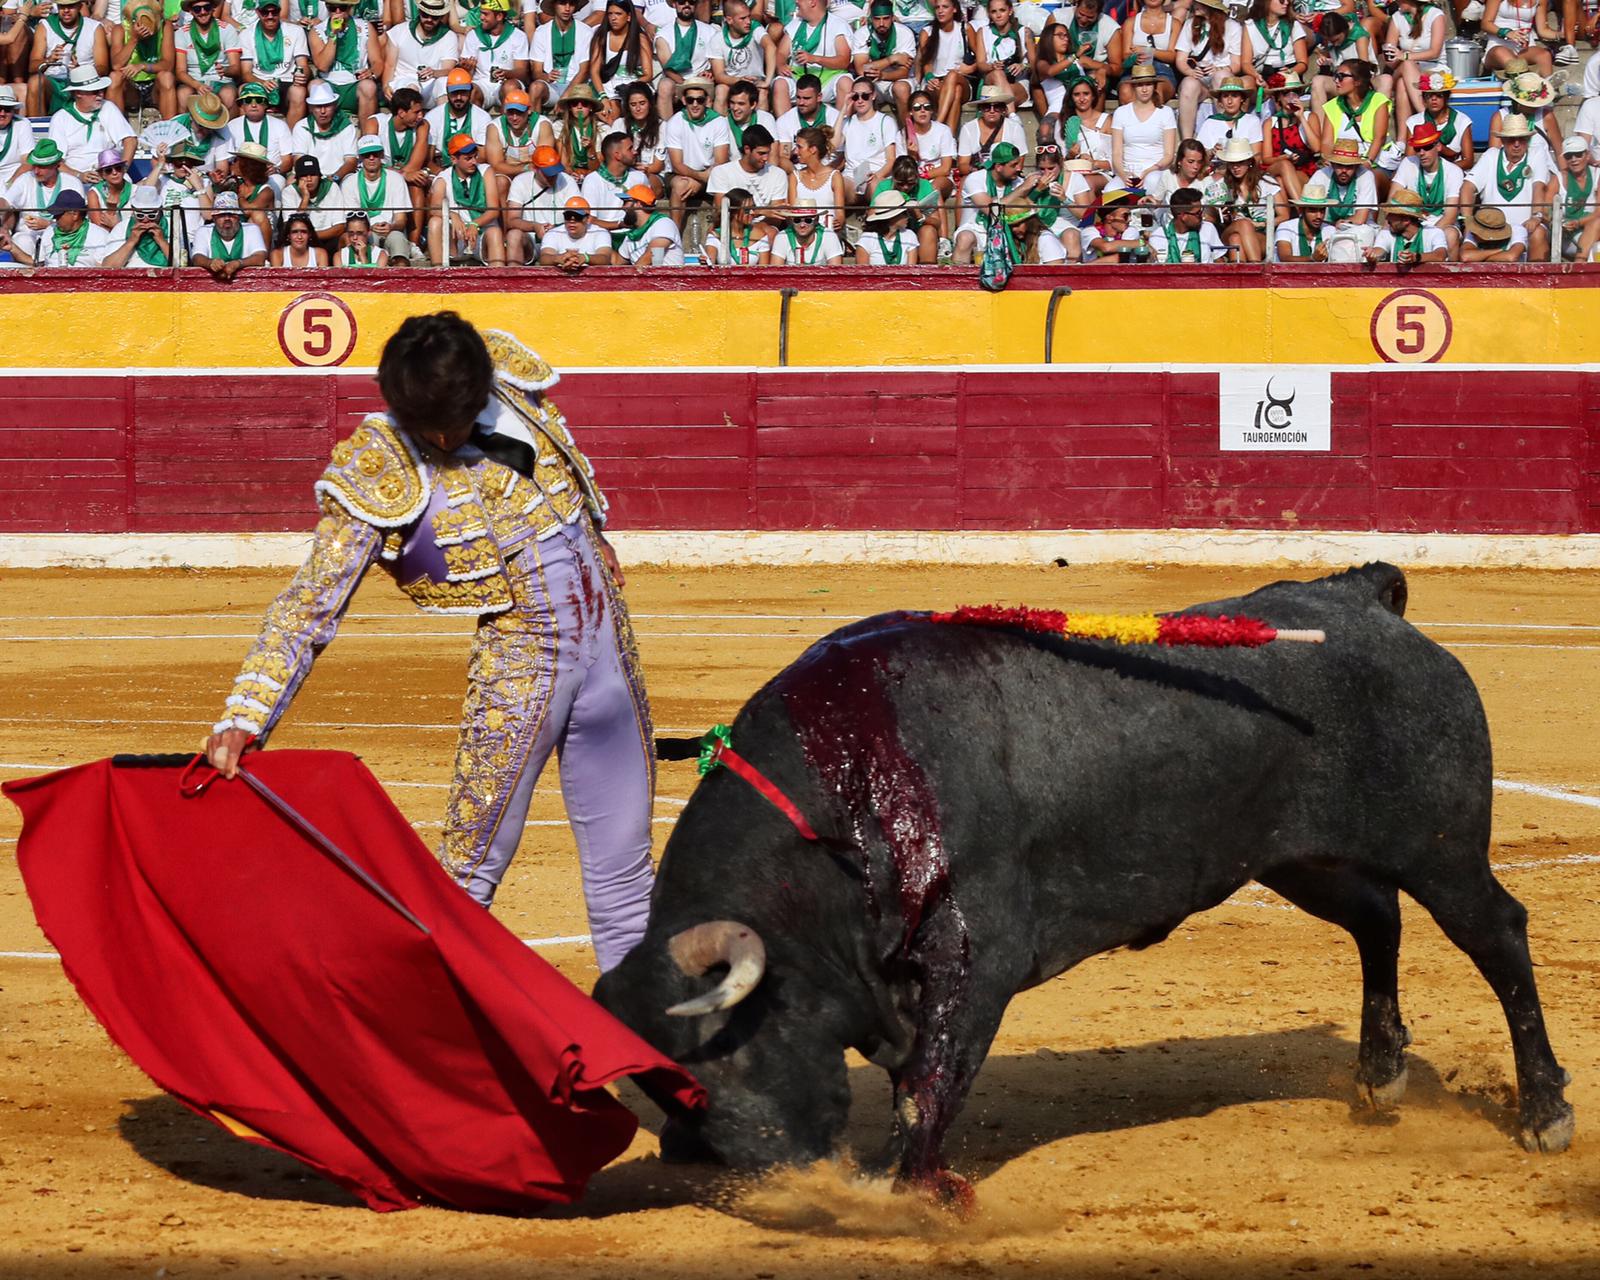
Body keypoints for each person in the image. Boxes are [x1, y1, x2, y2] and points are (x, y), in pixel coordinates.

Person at [204, 316, 657, 974]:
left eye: (457, 419)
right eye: (431, 428)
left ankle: (642, 1049)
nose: (445, 437)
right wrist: (247, 712)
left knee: (626, 870)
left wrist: (597, 534)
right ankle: (425, 1052)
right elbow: (311, 601)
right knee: (467, 880)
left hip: (609, 645)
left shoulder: (506, 380)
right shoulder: (378, 463)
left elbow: (561, 470)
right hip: (523, 665)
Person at [1461, 112, 1550, 260]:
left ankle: (1536, 281)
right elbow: (1467, 187)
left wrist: (1536, 216)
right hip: (1489, 228)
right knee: (1468, 244)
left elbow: (1538, 186)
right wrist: (1467, 220)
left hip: (1523, 227)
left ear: (1528, 139)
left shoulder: (1536, 153)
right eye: (1511, 139)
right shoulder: (1491, 155)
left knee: (1538, 231)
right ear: (1502, 140)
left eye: (1521, 139)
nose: (1516, 144)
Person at [952, 139, 1039, 262]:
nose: (1019, 168)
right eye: (1013, 165)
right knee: (965, 238)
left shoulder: (1018, 182)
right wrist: (1022, 189)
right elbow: (991, 210)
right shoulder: (975, 179)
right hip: (977, 229)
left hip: (1008, 229)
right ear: (998, 167)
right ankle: (959, 279)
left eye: (1019, 164)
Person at [662, 74, 732, 224]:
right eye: (690, 100)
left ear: (707, 101)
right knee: (681, 186)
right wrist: (701, 178)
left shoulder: (718, 122)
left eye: (699, 100)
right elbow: (677, 164)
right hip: (680, 174)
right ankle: (674, 237)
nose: (695, 104)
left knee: (724, 185)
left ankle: (718, 236)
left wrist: (702, 180)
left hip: (710, 174)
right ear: (683, 100)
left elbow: (721, 162)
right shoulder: (675, 122)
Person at [48, 65, 135, 182]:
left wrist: (121, 170)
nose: (100, 94)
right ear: (79, 93)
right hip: (74, 177)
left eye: (101, 90)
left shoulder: (108, 107)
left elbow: (130, 140)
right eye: (94, 91)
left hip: (110, 172)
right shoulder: (61, 118)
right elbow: (56, 161)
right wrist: (79, 175)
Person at [431, 131, 507, 264]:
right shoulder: (443, 179)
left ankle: (498, 277)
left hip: (482, 233)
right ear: (454, 159)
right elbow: (434, 208)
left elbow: (494, 210)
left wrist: (475, 224)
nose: (474, 162)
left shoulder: (485, 171)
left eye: (475, 157)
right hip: (457, 236)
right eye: (468, 158)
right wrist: (452, 215)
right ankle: (437, 271)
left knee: (494, 231)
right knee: (435, 222)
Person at [1205, 136, 1285, 260]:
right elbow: (1210, 216)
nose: (1236, 167)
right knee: (1242, 225)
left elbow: (1284, 215)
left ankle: (1239, 276)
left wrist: (1259, 224)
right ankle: (1257, 268)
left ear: (1249, 162)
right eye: (1232, 163)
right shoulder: (1222, 185)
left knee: (1235, 239)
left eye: (1240, 162)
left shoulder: (1266, 182)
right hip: (1229, 229)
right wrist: (1221, 215)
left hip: (1261, 233)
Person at [1174, 0, 1244, 140]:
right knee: (1188, 84)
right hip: (1199, 78)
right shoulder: (1190, 24)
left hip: (1220, 76)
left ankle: (1226, 135)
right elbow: (1180, 60)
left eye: (1199, 3)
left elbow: (1236, 64)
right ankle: (1187, 140)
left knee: (1221, 76)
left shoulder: (1232, 27)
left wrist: (1219, 68)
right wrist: (1190, 71)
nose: (1195, 5)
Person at [1390, 119, 1463, 252]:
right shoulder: (1408, 163)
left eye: (1427, 147)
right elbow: (1393, 201)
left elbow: (1450, 216)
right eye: (1417, 148)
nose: (1422, 153)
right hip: (1413, 223)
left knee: (1450, 235)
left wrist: (1426, 236)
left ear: (1438, 146)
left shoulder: (1454, 171)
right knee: (1388, 232)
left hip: (1442, 223)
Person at [29, 0, 110, 117]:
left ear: (79, 6)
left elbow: (103, 67)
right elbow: (32, 67)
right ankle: (37, 130)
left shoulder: (95, 28)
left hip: (83, 84)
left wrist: (82, 71)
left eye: (70, 6)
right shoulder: (45, 26)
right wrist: (49, 60)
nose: (66, 11)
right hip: (54, 82)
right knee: (35, 82)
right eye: (62, 7)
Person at [342, 133, 415, 260]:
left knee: (398, 242)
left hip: (392, 231)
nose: (371, 158)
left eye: (375, 154)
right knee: (366, 238)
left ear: (381, 155)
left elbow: (401, 219)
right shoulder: (349, 183)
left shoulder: (396, 179)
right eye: (366, 155)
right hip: (365, 232)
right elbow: (352, 222)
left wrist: (391, 227)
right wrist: (370, 228)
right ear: (360, 157)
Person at [239, 0, 311, 124]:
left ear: (280, 11)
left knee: (299, 92)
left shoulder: (295, 31)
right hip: (260, 80)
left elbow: (303, 64)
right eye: (265, 12)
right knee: (245, 91)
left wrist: (303, 75)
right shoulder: (246, 34)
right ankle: (249, 139)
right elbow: (246, 72)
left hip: (287, 80)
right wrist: (262, 82)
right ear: (258, 12)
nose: (270, 16)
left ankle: (290, 138)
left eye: (274, 12)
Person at [311, 0, 383, 124]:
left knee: (369, 86)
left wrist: (371, 73)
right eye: (333, 8)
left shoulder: (365, 27)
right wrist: (333, 34)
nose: (338, 12)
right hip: (330, 84)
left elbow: (378, 62)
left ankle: (367, 136)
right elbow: (322, 65)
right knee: (315, 85)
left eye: (342, 8)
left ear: (350, 7)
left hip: (355, 85)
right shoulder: (317, 31)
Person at [505, 142, 579, 260]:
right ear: (534, 168)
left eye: (555, 172)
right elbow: (512, 220)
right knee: (513, 235)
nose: (553, 177)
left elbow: (578, 215)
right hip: (532, 240)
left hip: (561, 239)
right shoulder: (520, 181)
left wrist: (557, 227)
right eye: (548, 173)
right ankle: (514, 277)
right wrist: (535, 226)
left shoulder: (568, 181)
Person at [382, 0, 459, 111]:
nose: (429, 20)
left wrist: (434, 72)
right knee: (411, 87)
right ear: (419, 11)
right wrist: (385, 86)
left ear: (441, 16)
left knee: (443, 83)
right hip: (404, 82)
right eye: (425, 15)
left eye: (434, 17)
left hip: (431, 85)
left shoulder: (449, 36)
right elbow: (389, 65)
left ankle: (443, 122)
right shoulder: (399, 31)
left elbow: (448, 69)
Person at [0, 186, 110, 263]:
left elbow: (104, 270)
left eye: (58, 215)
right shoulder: (50, 231)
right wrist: (12, 248)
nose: (54, 219)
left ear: (75, 214)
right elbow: (36, 262)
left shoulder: (99, 236)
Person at [109, 0, 178, 121]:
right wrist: (134, 39)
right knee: (115, 77)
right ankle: (115, 127)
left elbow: (168, 64)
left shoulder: (165, 26)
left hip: (154, 85)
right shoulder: (120, 29)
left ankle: (170, 130)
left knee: (167, 77)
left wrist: (143, 66)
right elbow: (116, 65)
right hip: (132, 87)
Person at [1110, 62, 1175, 190]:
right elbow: (1116, 153)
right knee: (1110, 191)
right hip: (1128, 171)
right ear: (1134, 87)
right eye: (1140, 85)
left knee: (1152, 182)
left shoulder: (1165, 112)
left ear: (1154, 86)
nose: (1144, 89)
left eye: (1148, 84)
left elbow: (1169, 155)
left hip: (1156, 169)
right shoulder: (1121, 112)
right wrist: (1123, 175)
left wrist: (1149, 171)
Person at [835, 73, 898, 205]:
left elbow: (891, 160)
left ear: (873, 96)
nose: (860, 100)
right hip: (851, 178)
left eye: (865, 96)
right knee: (835, 181)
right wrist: (844, 110)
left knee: (875, 185)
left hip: (876, 175)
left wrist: (878, 175)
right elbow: (833, 145)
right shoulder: (847, 122)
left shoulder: (885, 121)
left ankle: (873, 218)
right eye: (855, 96)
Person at [917, 0, 978, 133]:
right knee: (956, 92)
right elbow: (926, 62)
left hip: (962, 78)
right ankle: (948, 138)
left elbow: (981, 58)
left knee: (953, 77)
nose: (940, 11)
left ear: (954, 9)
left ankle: (937, 126)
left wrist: (972, 68)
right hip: (938, 81)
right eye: (937, 7)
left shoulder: (965, 29)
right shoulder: (927, 32)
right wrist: (929, 76)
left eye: (945, 7)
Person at [1320, 57, 1391, 172]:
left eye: (1341, 77)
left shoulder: (1378, 101)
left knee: (1367, 179)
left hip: (1375, 161)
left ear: (1357, 81)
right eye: (1335, 76)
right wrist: (1328, 163)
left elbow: (1379, 138)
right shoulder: (1332, 106)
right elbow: (1327, 142)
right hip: (1342, 164)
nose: (1336, 80)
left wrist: (1367, 162)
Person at [174, 0, 243, 114]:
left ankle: (226, 131)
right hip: (194, 79)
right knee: (183, 95)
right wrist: (197, 85)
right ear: (191, 11)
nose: (202, 12)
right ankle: (185, 130)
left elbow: (235, 68)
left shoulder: (227, 29)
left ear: (213, 8)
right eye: (197, 9)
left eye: (206, 7)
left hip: (221, 80)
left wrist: (225, 70)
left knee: (229, 95)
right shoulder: (182, 33)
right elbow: (180, 71)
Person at [707, 120, 786, 219]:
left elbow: (776, 216)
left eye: (767, 153)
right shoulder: (721, 172)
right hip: (732, 229)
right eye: (761, 153)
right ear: (747, 149)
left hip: (765, 229)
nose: (766, 158)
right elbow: (721, 211)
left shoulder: (778, 174)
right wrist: (759, 211)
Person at [460, 0, 529, 111]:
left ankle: (506, 126)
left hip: (506, 83)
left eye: (485, 14)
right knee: (470, 90)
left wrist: (506, 73)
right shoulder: (473, 35)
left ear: (499, 16)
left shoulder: (518, 36)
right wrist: (466, 68)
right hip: (481, 83)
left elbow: (522, 72)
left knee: (510, 87)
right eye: (481, 13)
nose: (481, 17)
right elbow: (467, 73)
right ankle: (473, 126)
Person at [653, 0, 718, 118]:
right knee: (664, 86)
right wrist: (687, 84)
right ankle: (665, 129)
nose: (686, 5)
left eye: (691, 2)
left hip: (701, 79)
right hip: (676, 81)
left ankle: (709, 126)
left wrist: (709, 72)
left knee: (710, 83)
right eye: (682, 2)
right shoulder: (663, 34)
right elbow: (668, 69)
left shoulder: (710, 31)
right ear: (674, 4)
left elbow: (715, 62)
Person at [528, 0, 594, 115]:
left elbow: (584, 71)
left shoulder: (586, 32)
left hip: (578, 86)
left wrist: (565, 97)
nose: (567, 8)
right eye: (562, 3)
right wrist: (546, 76)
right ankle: (535, 128)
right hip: (552, 86)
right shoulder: (541, 32)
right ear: (554, 5)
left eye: (571, 4)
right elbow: (536, 71)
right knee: (535, 87)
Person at [1110, 0, 1180, 107]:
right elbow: (1125, 54)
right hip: (1135, 69)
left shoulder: (1174, 23)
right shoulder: (1131, 22)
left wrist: (1149, 51)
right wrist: (1134, 57)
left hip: (1162, 70)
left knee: (1156, 94)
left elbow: (1172, 56)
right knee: (1126, 92)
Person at [852, 0, 916, 114]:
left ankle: (906, 130)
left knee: (901, 88)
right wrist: (892, 59)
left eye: (886, 18)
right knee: (859, 89)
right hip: (872, 82)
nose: (881, 23)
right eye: (877, 19)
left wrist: (882, 75)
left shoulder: (904, 33)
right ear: (871, 18)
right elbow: (862, 70)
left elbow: (904, 72)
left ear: (892, 18)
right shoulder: (862, 34)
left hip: (896, 80)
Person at [585, 0, 652, 110]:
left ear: (629, 16)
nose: (613, 18)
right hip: (606, 86)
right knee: (607, 111)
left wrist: (629, 87)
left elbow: (648, 74)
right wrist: (603, 97)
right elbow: (594, 71)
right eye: (610, 14)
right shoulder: (601, 38)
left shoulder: (640, 39)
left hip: (632, 85)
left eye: (618, 14)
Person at [711, 1, 774, 114]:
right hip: (733, 82)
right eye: (743, 18)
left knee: (762, 92)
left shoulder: (755, 29)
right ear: (729, 20)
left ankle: (761, 129)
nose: (748, 22)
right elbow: (719, 75)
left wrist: (767, 81)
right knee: (721, 90)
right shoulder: (717, 39)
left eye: (749, 16)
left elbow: (771, 47)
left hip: (755, 81)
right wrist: (739, 80)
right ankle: (721, 128)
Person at [579, 128, 646, 233]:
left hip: (634, 235)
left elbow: (648, 213)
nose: (635, 152)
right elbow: (590, 220)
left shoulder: (639, 177)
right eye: (630, 148)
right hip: (602, 236)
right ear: (617, 155)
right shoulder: (592, 180)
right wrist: (620, 225)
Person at [190, 190, 269, 277]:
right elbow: (197, 257)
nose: (227, 218)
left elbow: (260, 257)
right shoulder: (203, 230)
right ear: (214, 218)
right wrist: (210, 263)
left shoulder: (251, 229)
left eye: (231, 214)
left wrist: (238, 263)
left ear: (238, 217)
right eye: (222, 215)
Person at [956, 83, 1027, 177]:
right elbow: (963, 165)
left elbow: (1019, 162)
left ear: (1003, 109)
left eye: (997, 107)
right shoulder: (968, 129)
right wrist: (978, 171)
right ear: (980, 109)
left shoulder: (1015, 128)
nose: (992, 111)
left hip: (1006, 177)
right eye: (987, 107)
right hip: (977, 175)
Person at [426, 67, 491, 167]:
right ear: (447, 91)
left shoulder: (483, 117)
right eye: (455, 93)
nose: (459, 97)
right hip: (441, 169)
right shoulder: (432, 117)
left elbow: (482, 157)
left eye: (463, 92)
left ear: (471, 91)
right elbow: (428, 159)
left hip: (472, 169)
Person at [1364, 185, 1448, 261]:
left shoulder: (1434, 232)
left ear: (1406, 220)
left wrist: (1416, 257)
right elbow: (1379, 251)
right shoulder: (1386, 233)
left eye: (1392, 214)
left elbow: (1440, 255)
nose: (1387, 218)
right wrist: (1372, 254)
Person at [1194, 75, 1260, 169]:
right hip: (1217, 171)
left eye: (1234, 96)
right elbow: (1199, 158)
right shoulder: (1211, 122)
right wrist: (1211, 152)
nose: (1229, 101)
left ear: (1242, 99)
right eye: (1225, 96)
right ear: (1220, 101)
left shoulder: (1252, 121)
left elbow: (1256, 156)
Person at [101, 183, 174, 266]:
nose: (146, 220)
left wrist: (162, 241)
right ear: (132, 210)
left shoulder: (173, 226)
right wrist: (131, 241)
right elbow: (107, 267)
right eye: (140, 215)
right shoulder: (122, 227)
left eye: (151, 215)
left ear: (160, 210)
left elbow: (182, 264)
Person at [1480, 0, 1559, 78]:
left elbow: (1543, 31)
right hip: (1498, 45)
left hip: (1524, 47)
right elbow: (1485, 24)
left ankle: (1549, 86)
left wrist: (1561, 34)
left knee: (1544, 55)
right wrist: (1506, 32)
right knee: (1505, 56)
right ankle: (1525, 85)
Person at [1312, 136, 1378, 228]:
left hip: (1358, 227)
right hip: (1325, 227)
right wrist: (1333, 226)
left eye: (1349, 166)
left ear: (1357, 166)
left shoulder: (1366, 175)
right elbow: (1310, 213)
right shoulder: (1321, 175)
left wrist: (1341, 225)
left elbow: (1360, 218)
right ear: (1332, 164)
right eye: (1339, 165)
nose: (1344, 170)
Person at [1148, 185, 1227, 260]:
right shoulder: (1159, 236)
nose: (1202, 216)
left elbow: (1218, 260)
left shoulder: (1208, 228)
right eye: (1197, 213)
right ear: (1183, 216)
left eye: (1201, 211)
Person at [538, 192, 613, 267]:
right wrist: (559, 258)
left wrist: (585, 258)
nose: (572, 220)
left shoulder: (601, 232)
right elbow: (544, 258)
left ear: (587, 218)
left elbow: (605, 258)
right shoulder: (553, 233)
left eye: (577, 217)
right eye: (568, 216)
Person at [616, 182, 685, 264]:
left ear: (638, 204)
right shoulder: (632, 234)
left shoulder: (663, 224)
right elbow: (617, 262)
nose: (622, 207)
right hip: (645, 276)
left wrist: (633, 275)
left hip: (667, 276)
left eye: (626, 202)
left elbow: (649, 258)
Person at [702, 184, 772, 262]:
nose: (752, 213)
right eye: (747, 210)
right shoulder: (715, 235)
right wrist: (705, 261)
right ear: (733, 212)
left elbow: (764, 270)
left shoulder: (760, 236)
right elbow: (710, 263)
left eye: (753, 208)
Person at [1557, 134, 1599, 260]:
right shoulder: (1558, 178)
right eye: (1569, 156)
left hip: (1590, 228)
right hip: (1567, 235)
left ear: (1587, 155)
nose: (1574, 159)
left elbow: (1598, 212)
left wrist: (1578, 222)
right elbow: (1546, 210)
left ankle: (1579, 262)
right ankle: (1579, 263)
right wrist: (1560, 224)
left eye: (1578, 154)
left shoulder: (1598, 174)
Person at [767, 194, 844, 262]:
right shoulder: (782, 236)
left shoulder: (829, 236)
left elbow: (836, 272)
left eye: (808, 220)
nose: (802, 225)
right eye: (797, 220)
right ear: (791, 220)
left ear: (816, 220)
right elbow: (776, 273)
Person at [854, 186, 921, 262]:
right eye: (904, 213)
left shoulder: (910, 236)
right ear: (892, 217)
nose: (908, 216)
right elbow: (863, 272)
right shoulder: (867, 239)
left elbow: (911, 270)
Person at [1273, 180, 1332, 260]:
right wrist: (1312, 259)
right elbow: (1285, 258)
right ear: (1301, 210)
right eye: (1313, 210)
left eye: (1322, 210)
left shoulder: (1330, 230)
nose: (1319, 216)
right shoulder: (1286, 227)